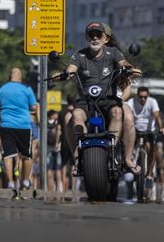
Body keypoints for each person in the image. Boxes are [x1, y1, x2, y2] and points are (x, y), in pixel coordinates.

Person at [59, 22, 141, 174]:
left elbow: (123, 63)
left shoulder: (113, 53)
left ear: (105, 38)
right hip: (86, 102)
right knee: (74, 115)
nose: (95, 38)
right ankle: (78, 157)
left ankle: (116, 152)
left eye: (98, 35)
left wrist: (129, 68)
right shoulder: (79, 55)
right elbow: (71, 68)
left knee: (119, 113)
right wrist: (66, 73)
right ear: (86, 37)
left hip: (108, 100)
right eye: (91, 35)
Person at [0, 67, 38, 195]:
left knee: (8, 154)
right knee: (26, 155)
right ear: (20, 77)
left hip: (6, 124)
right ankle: (25, 181)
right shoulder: (26, 89)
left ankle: (11, 182)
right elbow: (33, 106)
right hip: (24, 125)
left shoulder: (1, 89)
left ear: (10, 76)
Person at [126, 86, 164, 190]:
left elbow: (157, 116)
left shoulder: (152, 102)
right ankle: (129, 164)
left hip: (149, 131)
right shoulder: (131, 102)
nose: (142, 99)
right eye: (140, 97)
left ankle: (149, 175)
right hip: (135, 130)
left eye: (145, 97)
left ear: (148, 96)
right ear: (137, 95)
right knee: (127, 147)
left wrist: (161, 127)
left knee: (150, 148)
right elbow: (126, 114)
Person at [59, 94, 75, 191]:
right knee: (74, 164)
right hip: (74, 141)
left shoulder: (62, 112)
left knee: (64, 164)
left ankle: (64, 186)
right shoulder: (77, 112)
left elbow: (59, 128)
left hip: (64, 141)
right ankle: (73, 188)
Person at [46, 110, 62, 192]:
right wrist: (57, 143)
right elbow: (58, 132)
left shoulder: (44, 123)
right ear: (52, 115)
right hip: (57, 148)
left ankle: (50, 190)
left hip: (48, 149)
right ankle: (59, 190)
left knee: (49, 170)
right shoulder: (57, 122)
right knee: (58, 170)